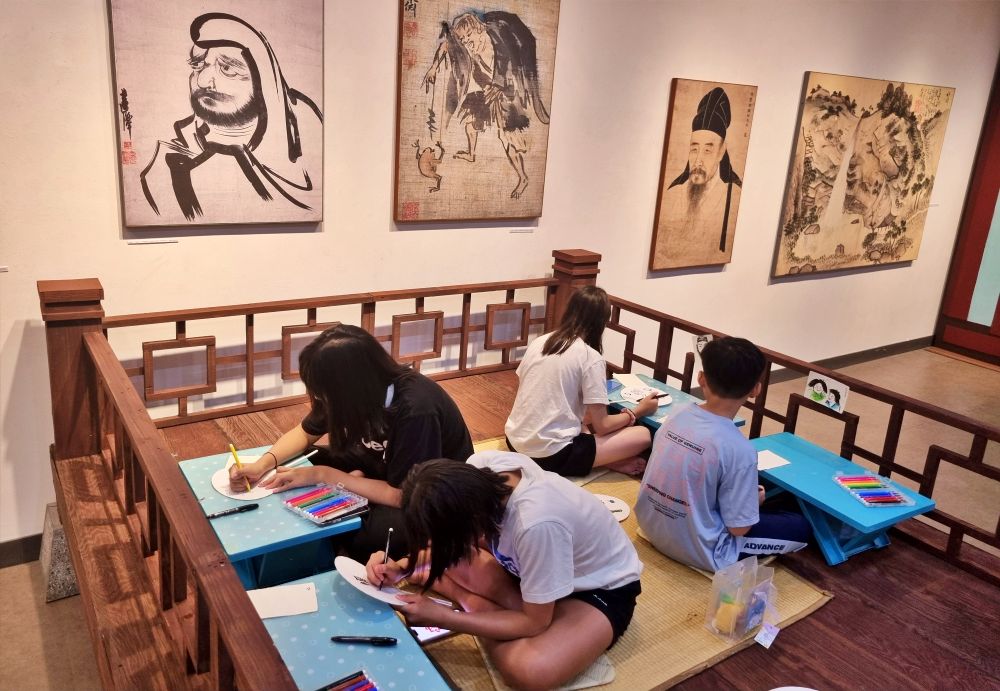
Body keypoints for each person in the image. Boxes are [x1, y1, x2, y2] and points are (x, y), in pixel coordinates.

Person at [366, 452, 643, 691]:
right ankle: (468, 597)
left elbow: (535, 623)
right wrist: (401, 567)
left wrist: (446, 617)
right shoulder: (479, 471)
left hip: (598, 589)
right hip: (532, 568)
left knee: (527, 670)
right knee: (455, 559)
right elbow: (454, 544)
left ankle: (465, 599)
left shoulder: (535, 524)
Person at [229, 324, 474, 560]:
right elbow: (304, 433)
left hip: (429, 494)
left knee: (373, 538)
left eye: (322, 393)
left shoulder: (416, 410)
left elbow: (402, 495)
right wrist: (263, 464)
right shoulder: (354, 390)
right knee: (302, 457)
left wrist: (325, 476)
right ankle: (352, 493)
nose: (319, 399)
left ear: (350, 386)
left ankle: (347, 507)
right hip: (379, 465)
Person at [635, 337, 810, 572]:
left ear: (701, 378)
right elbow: (739, 529)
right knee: (800, 527)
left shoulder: (676, 413)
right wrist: (753, 504)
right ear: (756, 389)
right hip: (702, 550)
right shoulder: (740, 449)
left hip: (650, 525)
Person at [140, 12, 323, 222]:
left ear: (262, 78)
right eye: (198, 65)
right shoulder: (169, 167)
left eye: (227, 68)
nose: (202, 81)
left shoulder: (310, 129)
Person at [504, 285, 658, 477]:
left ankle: (605, 460)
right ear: (601, 322)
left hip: (514, 441)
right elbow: (603, 426)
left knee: (582, 425)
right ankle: (607, 460)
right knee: (643, 435)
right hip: (549, 456)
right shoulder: (590, 357)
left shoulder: (540, 342)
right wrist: (638, 410)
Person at [422, 11, 550, 199]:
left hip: (506, 93)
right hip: (487, 89)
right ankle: (471, 153)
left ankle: (523, 178)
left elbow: (507, 64)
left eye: (469, 36)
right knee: (470, 123)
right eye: (463, 39)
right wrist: (434, 67)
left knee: (507, 139)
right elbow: (445, 46)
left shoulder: (495, 40)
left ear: (478, 29)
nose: (467, 42)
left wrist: (498, 85)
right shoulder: (470, 46)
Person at [652, 87, 744, 269]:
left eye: (708, 150)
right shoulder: (673, 194)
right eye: (694, 149)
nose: (698, 161)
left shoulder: (732, 196)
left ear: (721, 152)